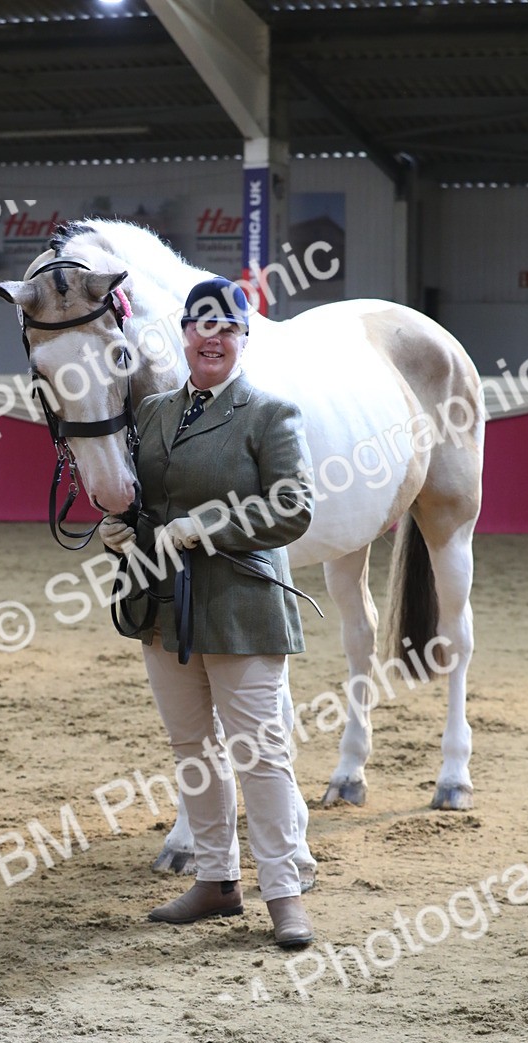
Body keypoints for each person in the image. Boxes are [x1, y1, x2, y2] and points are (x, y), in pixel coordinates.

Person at [99, 276, 315, 948]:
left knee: (260, 753)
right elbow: (149, 502)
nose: (212, 337)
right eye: (201, 325)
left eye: (227, 326)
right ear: (184, 336)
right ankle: (218, 881)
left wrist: (208, 525)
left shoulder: (269, 414)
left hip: (243, 607)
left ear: (244, 338)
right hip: (165, 607)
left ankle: (284, 893)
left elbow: (294, 507)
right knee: (192, 749)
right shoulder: (156, 412)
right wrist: (124, 531)